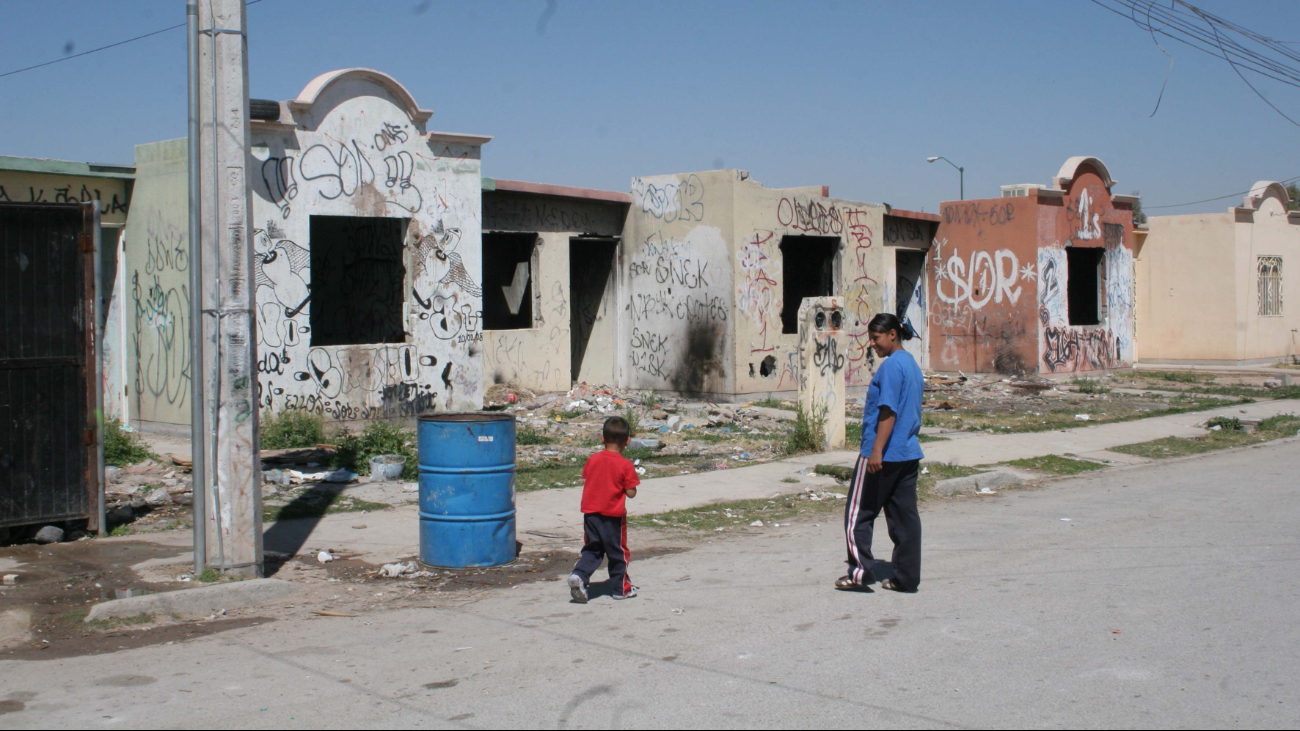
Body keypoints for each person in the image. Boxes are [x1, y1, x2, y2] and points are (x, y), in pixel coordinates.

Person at [837, 313, 925, 593]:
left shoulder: (891, 368)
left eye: (875, 339)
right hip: (908, 453)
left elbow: (888, 411)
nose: (872, 345)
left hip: (882, 456)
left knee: (858, 514)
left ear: (892, 335)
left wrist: (875, 451)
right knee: (904, 519)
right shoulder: (911, 364)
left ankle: (859, 573)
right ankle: (906, 578)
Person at [568, 416, 641, 603]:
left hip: (591, 514)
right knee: (618, 552)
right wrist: (628, 486)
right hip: (612, 517)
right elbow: (631, 493)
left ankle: (579, 575)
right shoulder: (625, 465)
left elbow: (589, 478)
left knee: (592, 549)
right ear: (627, 441)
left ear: (602, 438)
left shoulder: (593, 459)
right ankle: (620, 589)